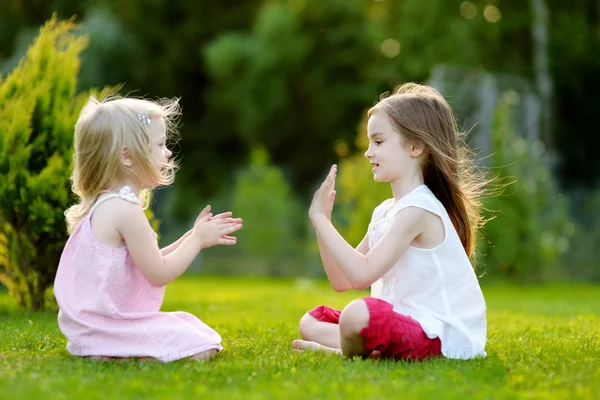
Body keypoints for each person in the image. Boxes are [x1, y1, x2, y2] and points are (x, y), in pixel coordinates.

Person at [292, 83, 488, 361]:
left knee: (356, 314)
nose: (368, 152)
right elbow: (342, 279)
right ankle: (362, 348)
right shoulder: (386, 211)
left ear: (415, 146)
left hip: (435, 337)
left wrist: (321, 220)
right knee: (310, 321)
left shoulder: (418, 210)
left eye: (379, 141)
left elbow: (362, 274)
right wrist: (323, 225)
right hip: (400, 323)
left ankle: (338, 352)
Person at [54, 96, 243, 362]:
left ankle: (111, 350)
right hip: (109, 329)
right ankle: (124, 352)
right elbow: (158, 273)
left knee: (188, 325)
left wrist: (191, 235)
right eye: (160, 144)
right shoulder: (126, 210)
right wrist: (197, 241)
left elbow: (143, 262)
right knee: (202, 344)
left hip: (92, 329)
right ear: (127, 157)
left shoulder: (107, 204)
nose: (167, 152)